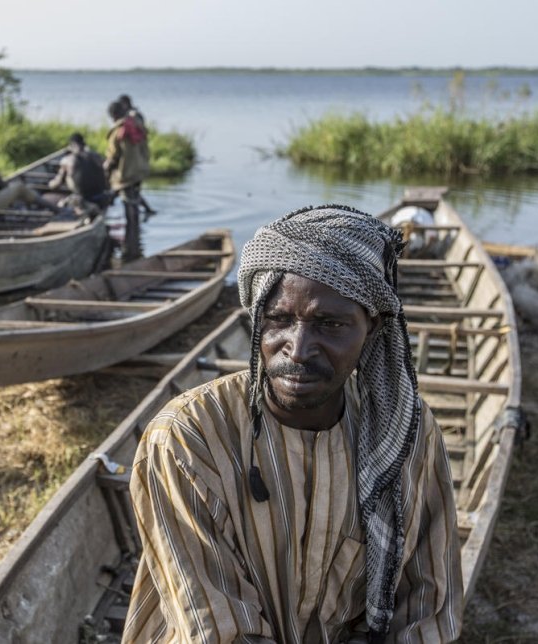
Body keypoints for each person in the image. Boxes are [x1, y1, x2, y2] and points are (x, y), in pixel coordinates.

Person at [123, 205, 463, 643]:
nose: (297, 349)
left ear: (371, 327)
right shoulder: (188, 438)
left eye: (330, 324)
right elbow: (216, 630)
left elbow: (429, 604)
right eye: (279, 319)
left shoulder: (407, 431)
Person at [105, 100, 151, 259]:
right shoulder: (137, 124)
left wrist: (106, 169)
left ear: (113, 115)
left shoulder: (118, 130)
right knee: (135, 199)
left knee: (128, 204)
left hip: (125, 173)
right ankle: (135, 237)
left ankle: (131, 243)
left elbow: (113, 156)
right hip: (140, 170)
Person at [47, 132, 109, 216]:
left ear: (71, 145)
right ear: (84, 144)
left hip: (83, 200)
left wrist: (49, 184)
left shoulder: (67, 160)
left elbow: (56, 184)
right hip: (102, 197)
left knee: (58, 203)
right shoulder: (97, 156)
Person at [117, 94, 157, 217]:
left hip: (134, 161)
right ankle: (144, 211)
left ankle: (136, 217)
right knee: (134, 190)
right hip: (140, 158)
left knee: (129, 191)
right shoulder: (136, 117)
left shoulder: (130, 119)